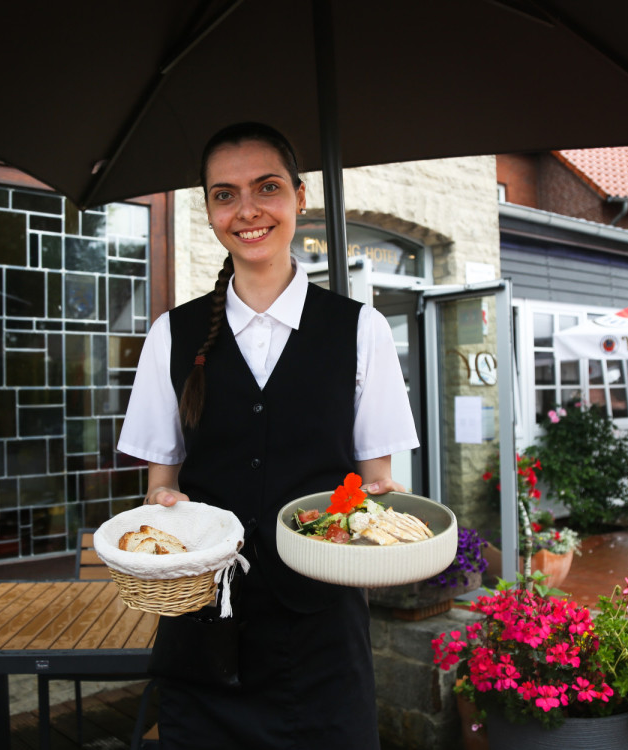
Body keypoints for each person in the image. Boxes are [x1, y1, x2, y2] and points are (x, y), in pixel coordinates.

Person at [116, 122, 418, 749]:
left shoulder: (361, 331)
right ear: (208, 211)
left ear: (300, 198)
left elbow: (375, 486)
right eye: (225, 194)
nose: (247, 210)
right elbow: (161, 488)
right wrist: (165, 509)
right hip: (204, 634)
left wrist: (361, 519)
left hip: (322, 641)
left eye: (267, 187)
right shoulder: (171, 336)